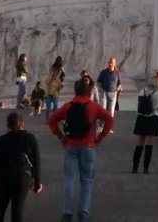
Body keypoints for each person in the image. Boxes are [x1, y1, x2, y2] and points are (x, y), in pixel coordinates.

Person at [46, 78, 114, 222]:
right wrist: (100, 138)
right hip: (89, 146)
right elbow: (109, 119)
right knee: (87, 181)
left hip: (71, 145)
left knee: (69, 180)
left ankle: (66, 212)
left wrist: (61, 136)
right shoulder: (93, 106)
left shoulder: (68, 106)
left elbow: (51, 120)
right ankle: (83, 212)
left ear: (75, 91)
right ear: (89, 92)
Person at [0, 112, 41, 222]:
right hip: (22, 178)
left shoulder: (2, 140)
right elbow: (36, 162)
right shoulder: (30, 139)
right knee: (17, 210)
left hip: (4, 178)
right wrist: (38, 182)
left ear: (7, 125)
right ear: (23, 123)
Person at [131, 69, 158, 173]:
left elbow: (137, 105)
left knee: (139, 143)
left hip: (141, 117)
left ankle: (135, 166)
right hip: (152, 117)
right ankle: (146, 168)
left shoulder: (143, 90)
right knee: (149, 144)